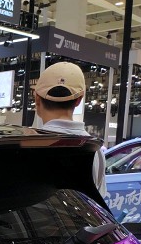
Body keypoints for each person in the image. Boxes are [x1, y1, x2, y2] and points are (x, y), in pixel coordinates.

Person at [34, 62, 107, 197]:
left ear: (37, 98)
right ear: (79, 99)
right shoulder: (95, 150)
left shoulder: (27, 146)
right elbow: (97, 204)